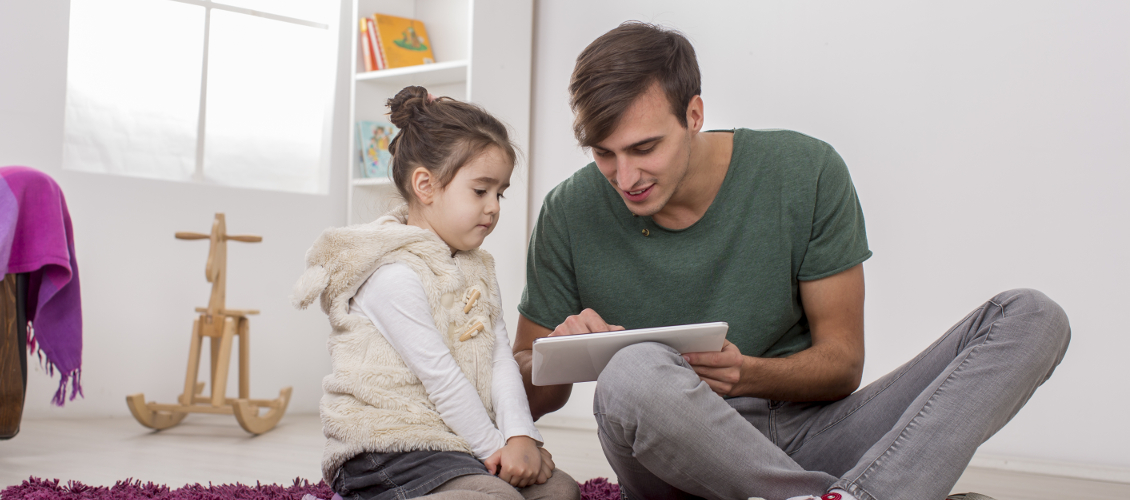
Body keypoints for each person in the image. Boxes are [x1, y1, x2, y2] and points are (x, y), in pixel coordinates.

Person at [514, 22, 1070, 500]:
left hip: (814, 433)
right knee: (632, 371)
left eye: (643, 149)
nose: (625, 177)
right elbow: (528, 399)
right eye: (604, 154)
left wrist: (747, 374)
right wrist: (558, 355)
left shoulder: (804, 170)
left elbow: (842, 364)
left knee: (1032, 316)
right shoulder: (569, 212)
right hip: (672, 459)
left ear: (694, 114)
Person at [293, 86, 581, 500]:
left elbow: (500, 356)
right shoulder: (392, 272)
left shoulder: (476, 267)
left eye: (500, 193)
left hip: (452, 439)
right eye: (481, 191)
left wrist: (521, 436)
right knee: (497, 497)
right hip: (386, 446)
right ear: (426, 186)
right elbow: (440, 377)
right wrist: (496, 450)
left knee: (560, 492)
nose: (494, 206)